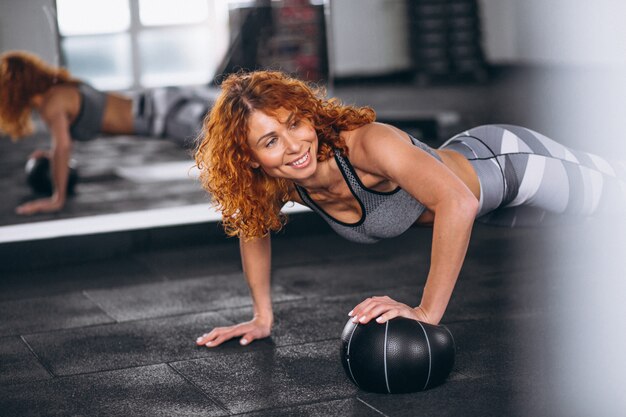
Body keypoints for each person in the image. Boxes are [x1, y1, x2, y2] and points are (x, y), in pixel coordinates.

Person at [193, 70, 626, 348]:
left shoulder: (364, 145)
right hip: (491, 208)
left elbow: (457, 200)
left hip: (512, 165)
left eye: (294, 123)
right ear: (249, 157)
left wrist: (425, 313)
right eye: (270, 141)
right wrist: (261, 316)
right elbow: (253, 229)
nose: (293, 146)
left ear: (308, 115)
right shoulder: (280, 182)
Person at [0, 50, 216, 215]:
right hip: (161, 105)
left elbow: (63, 146)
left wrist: (57, 199)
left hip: (165, 114)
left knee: (237, 142)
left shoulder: (51, 104)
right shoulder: (59, 92)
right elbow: (62, 143)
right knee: (239, 120)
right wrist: (51, 155)